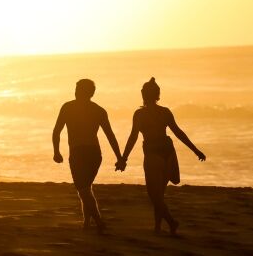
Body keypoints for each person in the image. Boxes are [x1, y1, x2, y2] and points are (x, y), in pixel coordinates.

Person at [116, 77, 206, 236]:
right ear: (157, 95)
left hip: (153, 152)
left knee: (153, 194)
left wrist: (124, 158)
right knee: (160, 194)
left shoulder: (139, 114)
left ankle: (171, 222)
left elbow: (133, 137)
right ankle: (157, 227)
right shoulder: (165, 112)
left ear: (143, 95)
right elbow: (178, 133)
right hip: (168, 151)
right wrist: (196, 150)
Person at [53, 79, 123, 232]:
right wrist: (119, 158)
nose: (76, 91)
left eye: (79, 88)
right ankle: (86, 223)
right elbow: (56, 131)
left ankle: (98, 222)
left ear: (88, 92)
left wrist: (120, 157)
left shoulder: (70, 107)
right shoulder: (96, 110)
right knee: (85, 188)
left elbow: (110, 135)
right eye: (77, 88)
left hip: (82, 153)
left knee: (83, 189)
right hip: (94, 154)